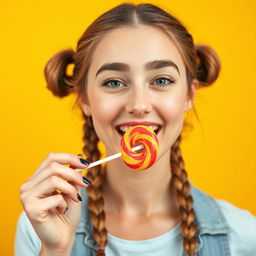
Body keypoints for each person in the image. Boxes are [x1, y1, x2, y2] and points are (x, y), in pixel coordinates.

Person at [15, 3, 256, 256]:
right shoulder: (40, 227)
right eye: (114, 82)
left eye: (162, 80)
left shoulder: (244, 236)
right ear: (85, 98)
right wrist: (56, 250)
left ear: (189, 94)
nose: (139, 105)